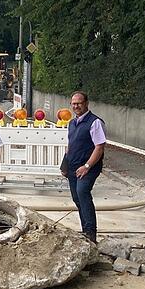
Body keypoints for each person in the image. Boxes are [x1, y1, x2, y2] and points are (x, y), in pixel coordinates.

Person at [60, 91, 106, 243]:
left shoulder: (95, 123)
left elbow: (99, 147)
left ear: (86, 103)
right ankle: (85, 229)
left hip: (88, 167)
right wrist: (65, 164)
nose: (76, 106)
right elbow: (70, 145)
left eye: (79, 103)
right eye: (73, 103)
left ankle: (90, 233)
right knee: (77, 198)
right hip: (73, 167)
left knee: (83, 193)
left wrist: (87, 166)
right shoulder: (72, 123)